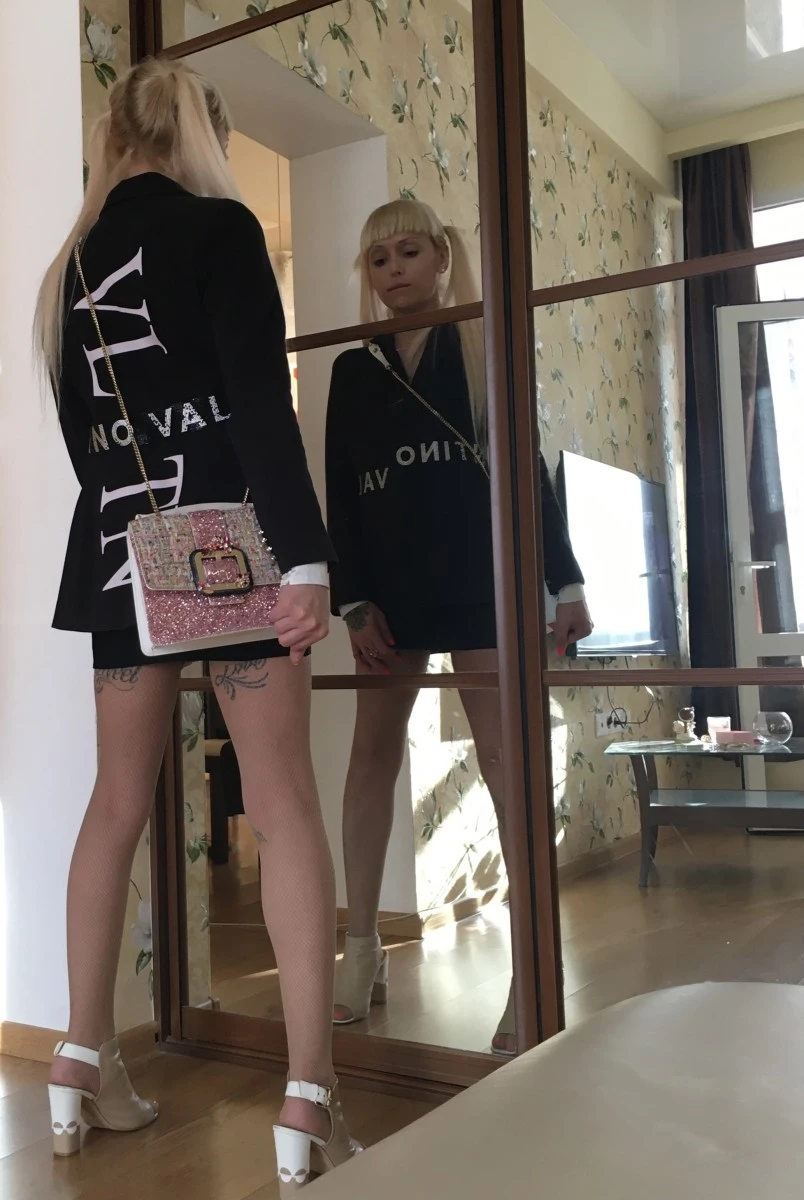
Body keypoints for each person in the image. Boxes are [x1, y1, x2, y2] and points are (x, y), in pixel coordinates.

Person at [35, 58, 357, 1192]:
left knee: (113, 803)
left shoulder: (70, 269)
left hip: (120, 548)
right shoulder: (220, 231)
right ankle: (308, 1097)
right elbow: (260, 404)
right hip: (227, 544)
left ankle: (79, 1060)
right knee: (284, 804)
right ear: (201, 134)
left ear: (116, 137)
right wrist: (305, 556)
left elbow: (88, 448)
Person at [325, 199, 592, 1055]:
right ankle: (360, 947)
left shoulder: (481, 344)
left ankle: (533, 961)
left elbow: (528, 471)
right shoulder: (352, 369)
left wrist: (564, 581)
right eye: (378, 259)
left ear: (442, 258)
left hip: (482, 586)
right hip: (390, 598)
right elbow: (342, 493)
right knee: (371, 758)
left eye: (408, 252)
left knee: (506, 761)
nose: (394, 270)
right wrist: (352, 601)